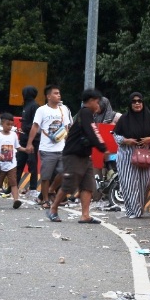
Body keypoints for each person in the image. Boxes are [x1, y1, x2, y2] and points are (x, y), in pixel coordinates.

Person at [48, 89, 108, 224]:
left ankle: (85, 215)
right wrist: (102, 148)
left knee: (87, 185)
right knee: (69, 183)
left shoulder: (88, 115)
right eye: (97, 102)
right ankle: (53, 208)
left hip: (84, 155)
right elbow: (92, 132)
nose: (98, 105)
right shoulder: (86, 112)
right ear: (91, 101)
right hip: (73, 155)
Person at [112, 92, 150, 219]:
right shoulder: (124, 119)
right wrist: (126, 141)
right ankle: (132, 211)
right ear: (130, 104)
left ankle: (139, 209)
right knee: (129, 183)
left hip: (145, 154)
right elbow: (116, 135)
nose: (137, 103)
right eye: (134, 101)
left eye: (139, 101)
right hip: (127, 154)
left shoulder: (149, 117)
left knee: (145, 183)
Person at [26, 84, 72, 209]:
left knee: (64, 172)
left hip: (61, 148)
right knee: (45, 176)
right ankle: (45, 200)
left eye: (59, 93)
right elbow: (35, 126)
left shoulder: (64, 110)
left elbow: (67, 128)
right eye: (56, 93)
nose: (59, 95)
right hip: (47, 149)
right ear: (48, 96)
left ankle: (52, 190)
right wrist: (29, 143)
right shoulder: (41, 110)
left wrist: (69, 144)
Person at [0, 113, 26, 209]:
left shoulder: (13, 135)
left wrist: (26, 149)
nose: (9, 127)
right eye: (7, 124)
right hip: (0, 165)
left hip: (12, 164)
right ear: (2, 124)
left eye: (11, 125)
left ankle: (16, 200)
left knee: (13, 182)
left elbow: (18, 147)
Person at [16, 86, 40, 195]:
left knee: (32, 163)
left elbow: (36, 124)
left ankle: (33, 187)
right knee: (19, 162)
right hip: (24, 138)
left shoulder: (34, 106)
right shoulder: (26, 105)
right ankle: (13, 186)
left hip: (32, 140)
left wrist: (25, 128)